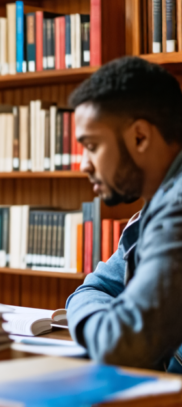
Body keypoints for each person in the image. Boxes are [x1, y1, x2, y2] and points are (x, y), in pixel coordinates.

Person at [65, 56, 182, 372]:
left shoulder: (177, 210)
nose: (84, 165)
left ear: (139, 137)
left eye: (92, 145)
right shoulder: (156, 207)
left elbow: (120, 343)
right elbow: (94, 289)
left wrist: (96, 321)